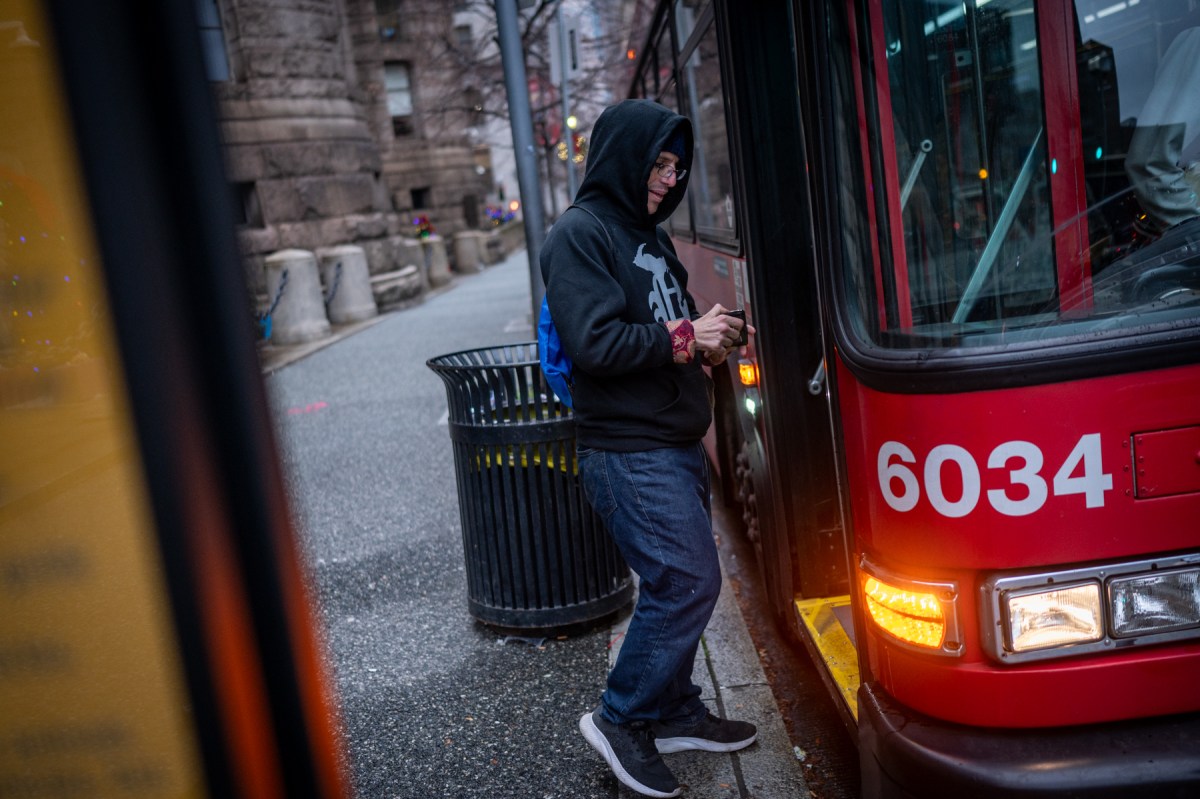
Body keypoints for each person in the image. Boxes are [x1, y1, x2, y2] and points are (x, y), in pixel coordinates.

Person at [540, 99, 756, 798]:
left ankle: (671, 707)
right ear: (624, 155)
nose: (670, 178)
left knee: (682, 582)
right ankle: (621, 715)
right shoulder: (579, 234)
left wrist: (713, 340)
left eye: (676, 165)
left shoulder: (650, 236)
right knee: (688, 582)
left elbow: (674, 331)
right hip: (627, 449)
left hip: (672, 439)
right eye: (658, 163)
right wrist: (688, 336)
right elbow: (596, 343)